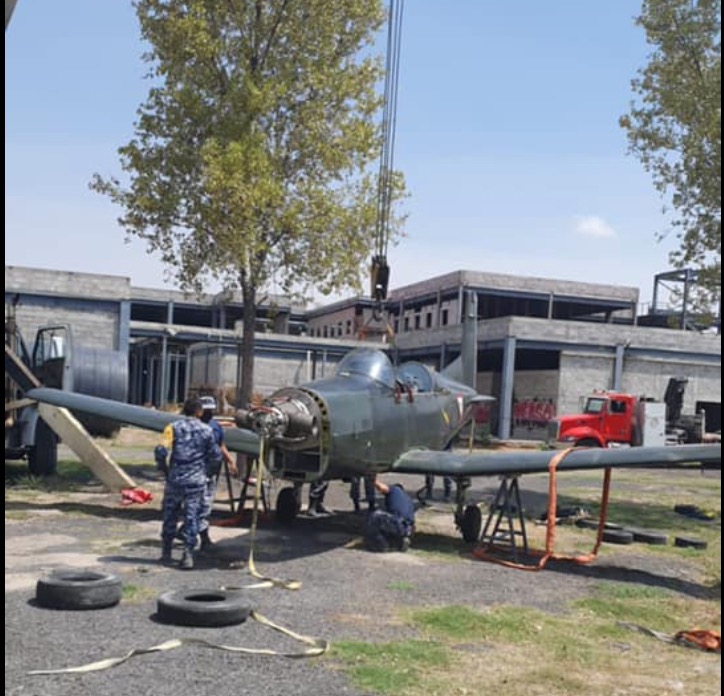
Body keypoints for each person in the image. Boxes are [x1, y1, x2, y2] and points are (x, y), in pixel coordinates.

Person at [155, 396, 221, 570]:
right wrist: (206, 473)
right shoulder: (207, 431)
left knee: (170, 515)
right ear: (199, 412)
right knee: (192, 517)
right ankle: (187, 555)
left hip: (175, 479)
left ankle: (166, 553)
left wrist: (165, 470)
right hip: (196, 481)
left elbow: (161, 450)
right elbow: (216, 457)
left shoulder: (172, 428)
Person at [197, 396, 237, 551]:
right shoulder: (194, 427)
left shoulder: (215, 426)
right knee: (199, 506)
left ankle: (195, 534)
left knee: (205, 505)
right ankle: (201, 538)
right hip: (197, 472)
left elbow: (221, 445)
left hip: (212, 472)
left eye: (211, 410)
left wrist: (231, 461)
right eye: (206, 410)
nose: (209, 413)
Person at [364, 476, 416, 552]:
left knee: (375, 516)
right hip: (408, 529)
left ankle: (382, 545)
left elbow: (383, 488)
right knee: (387, 521)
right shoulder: (408, 500)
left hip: (397, 524)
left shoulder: (394, 490)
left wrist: (373, 481)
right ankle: (400, 541)